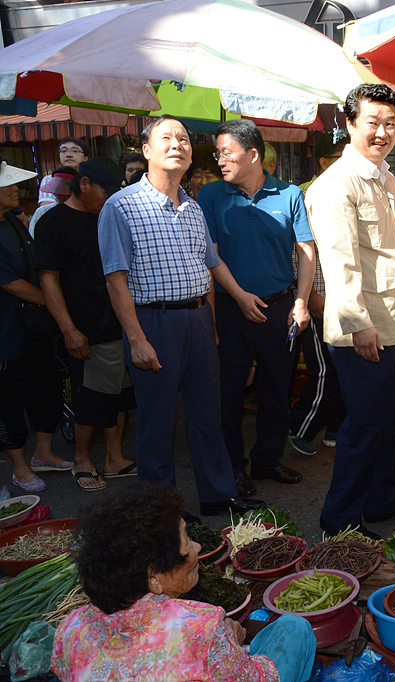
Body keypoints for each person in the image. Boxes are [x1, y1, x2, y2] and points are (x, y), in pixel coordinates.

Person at [98, 115, 262, 517]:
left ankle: (219, 495)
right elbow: (115, 280)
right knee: (156, 423)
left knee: (209, 413)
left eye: (184, 139)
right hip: (154, 322)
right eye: (166, 138)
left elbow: (211, 262)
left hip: (199, 319)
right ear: (147, 151)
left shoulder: (192, 206)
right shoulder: (120, 207)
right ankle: (161, 510)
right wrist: (136, 338)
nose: (178, 144)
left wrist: (238, 298)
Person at [305, 84, 395, 537]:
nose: (382, 132)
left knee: (387, 423)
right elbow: (340, 264)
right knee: (362, 428)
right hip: (365, 327)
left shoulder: (386, 177)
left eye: (390, 124)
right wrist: (359, 326)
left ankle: (383, 502)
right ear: (349, 123)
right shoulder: (336, 185)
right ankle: (339, 521)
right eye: (372, 122)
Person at [53, 483, 316, 682]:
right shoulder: (202, 626)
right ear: (154, 578)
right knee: (295, 628)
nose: (197, 547)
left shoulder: (70, 629)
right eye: (186, 542)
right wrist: (228, 645)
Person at [199, 119, 313, 498]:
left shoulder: (289, 194)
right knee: (228, 393)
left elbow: (307, 252)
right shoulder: (212, 196)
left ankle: (267, 460)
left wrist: (301, 302)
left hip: (279, 309)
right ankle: (233, 469)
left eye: (226, 153)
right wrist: (239, 296)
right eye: (218, 153)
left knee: (276, 390)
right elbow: (210, 255)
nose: (220, 160)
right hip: (231, 310)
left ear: (253, 155)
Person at [36, 158, 137, 491]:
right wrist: (68, 329)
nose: (108, 199)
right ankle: (82, 458)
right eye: (104, 191)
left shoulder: (111, 216)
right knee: (90, 398)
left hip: (120, 323)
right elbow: (48, 280)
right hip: (84, 328)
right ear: (84, 184)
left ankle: (114, 458)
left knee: (120, 395)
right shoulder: (54, 222)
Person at [0, 160, 71, 492]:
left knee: (46, 390)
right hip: (6, 334)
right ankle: (20, 465)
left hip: (34, 330)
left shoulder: (13, 220)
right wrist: (54, 301)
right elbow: (11, 283)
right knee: (9, 401)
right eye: (8, 184)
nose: (16, 188)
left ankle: (44, 453)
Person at [288, 134, 349, 456]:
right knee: (325, 370)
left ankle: (336, 427)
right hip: (320, 298)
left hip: (347, 300)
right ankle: (300, 426)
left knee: (345, 370)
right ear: (324, 162)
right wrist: (309, 295)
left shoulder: (348, 190)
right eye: (340, 156)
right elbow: (298, 253)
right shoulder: (304, 196)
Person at [38, 138, 89, 207]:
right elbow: (46, 207)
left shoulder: (90, 179)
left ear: (85, 158)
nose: (68, 155)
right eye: (64, 151)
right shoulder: (49, 180)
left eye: (75, 151)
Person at [28, 168, 76, 237]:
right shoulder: (43, 212)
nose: (66, 195)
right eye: (60, 189)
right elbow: (32, 238)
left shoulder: (84, 211)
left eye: (70, 189)